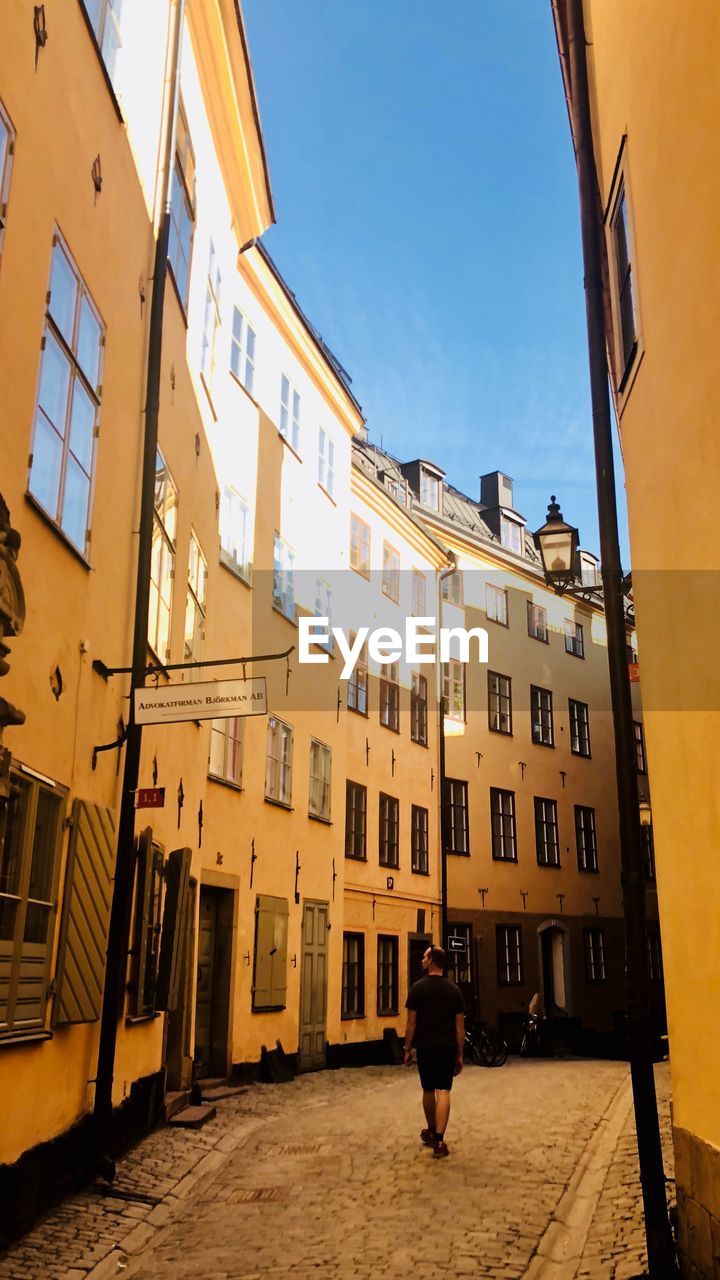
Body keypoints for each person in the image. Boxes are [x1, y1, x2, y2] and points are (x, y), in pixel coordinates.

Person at [403, 944, 465, 1158]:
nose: (422, 960)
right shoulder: (454, 991)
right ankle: (439, 1140)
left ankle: (431, 1129)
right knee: (444, 1091)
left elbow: (411, 1023)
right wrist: (460, 1054)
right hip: (447, 1047)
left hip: (426, 1046)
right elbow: (459, 1027)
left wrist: (407, 1048)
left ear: (432, 961)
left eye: (424, 957)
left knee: (428, 1090)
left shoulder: (417, 988)